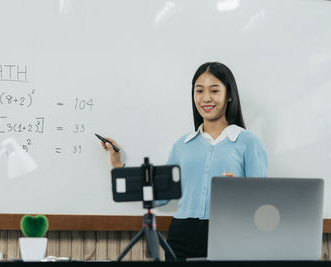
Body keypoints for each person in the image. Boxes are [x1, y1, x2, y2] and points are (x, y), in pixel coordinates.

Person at [100, 62, 267, 260]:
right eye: (199, 91)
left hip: (231, 232)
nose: (206, 98)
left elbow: (261, 201)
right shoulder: (183, 145)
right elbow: (161, 195)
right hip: (182, 234)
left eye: (214, 90)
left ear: (229, 95)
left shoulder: (248, 141)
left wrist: (239, 189)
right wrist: (119, 165)